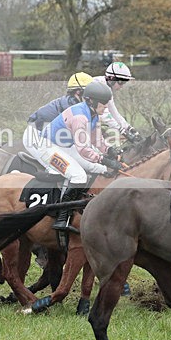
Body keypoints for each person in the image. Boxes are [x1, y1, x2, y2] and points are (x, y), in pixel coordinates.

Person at [36, 81, 122, 234]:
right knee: (78, 176)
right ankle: (62, 217)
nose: (106, 107)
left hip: (65, 146)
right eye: (103, 103)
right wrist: (103, 159)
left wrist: (110, 151)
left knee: (101, 169)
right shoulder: (79, 117)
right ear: (91, 101)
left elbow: (97, 140)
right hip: (48, 146)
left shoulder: (94, 114)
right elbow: (83, 149)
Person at [22, 72, 94, 162]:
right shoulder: (71, 108)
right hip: (36, 137)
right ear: (78, 92)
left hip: (48, 136)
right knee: (58, 169)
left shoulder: (76, 104)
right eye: (90, 94)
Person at [94, 61, 141, 143]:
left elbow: (113, 111)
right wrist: (122, 131)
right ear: (111, 78)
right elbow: (105, 115)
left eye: (124, 82)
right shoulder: (99, 86)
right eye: (121, 82)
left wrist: (128, 128)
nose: (122, 86)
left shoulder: (107, 88)